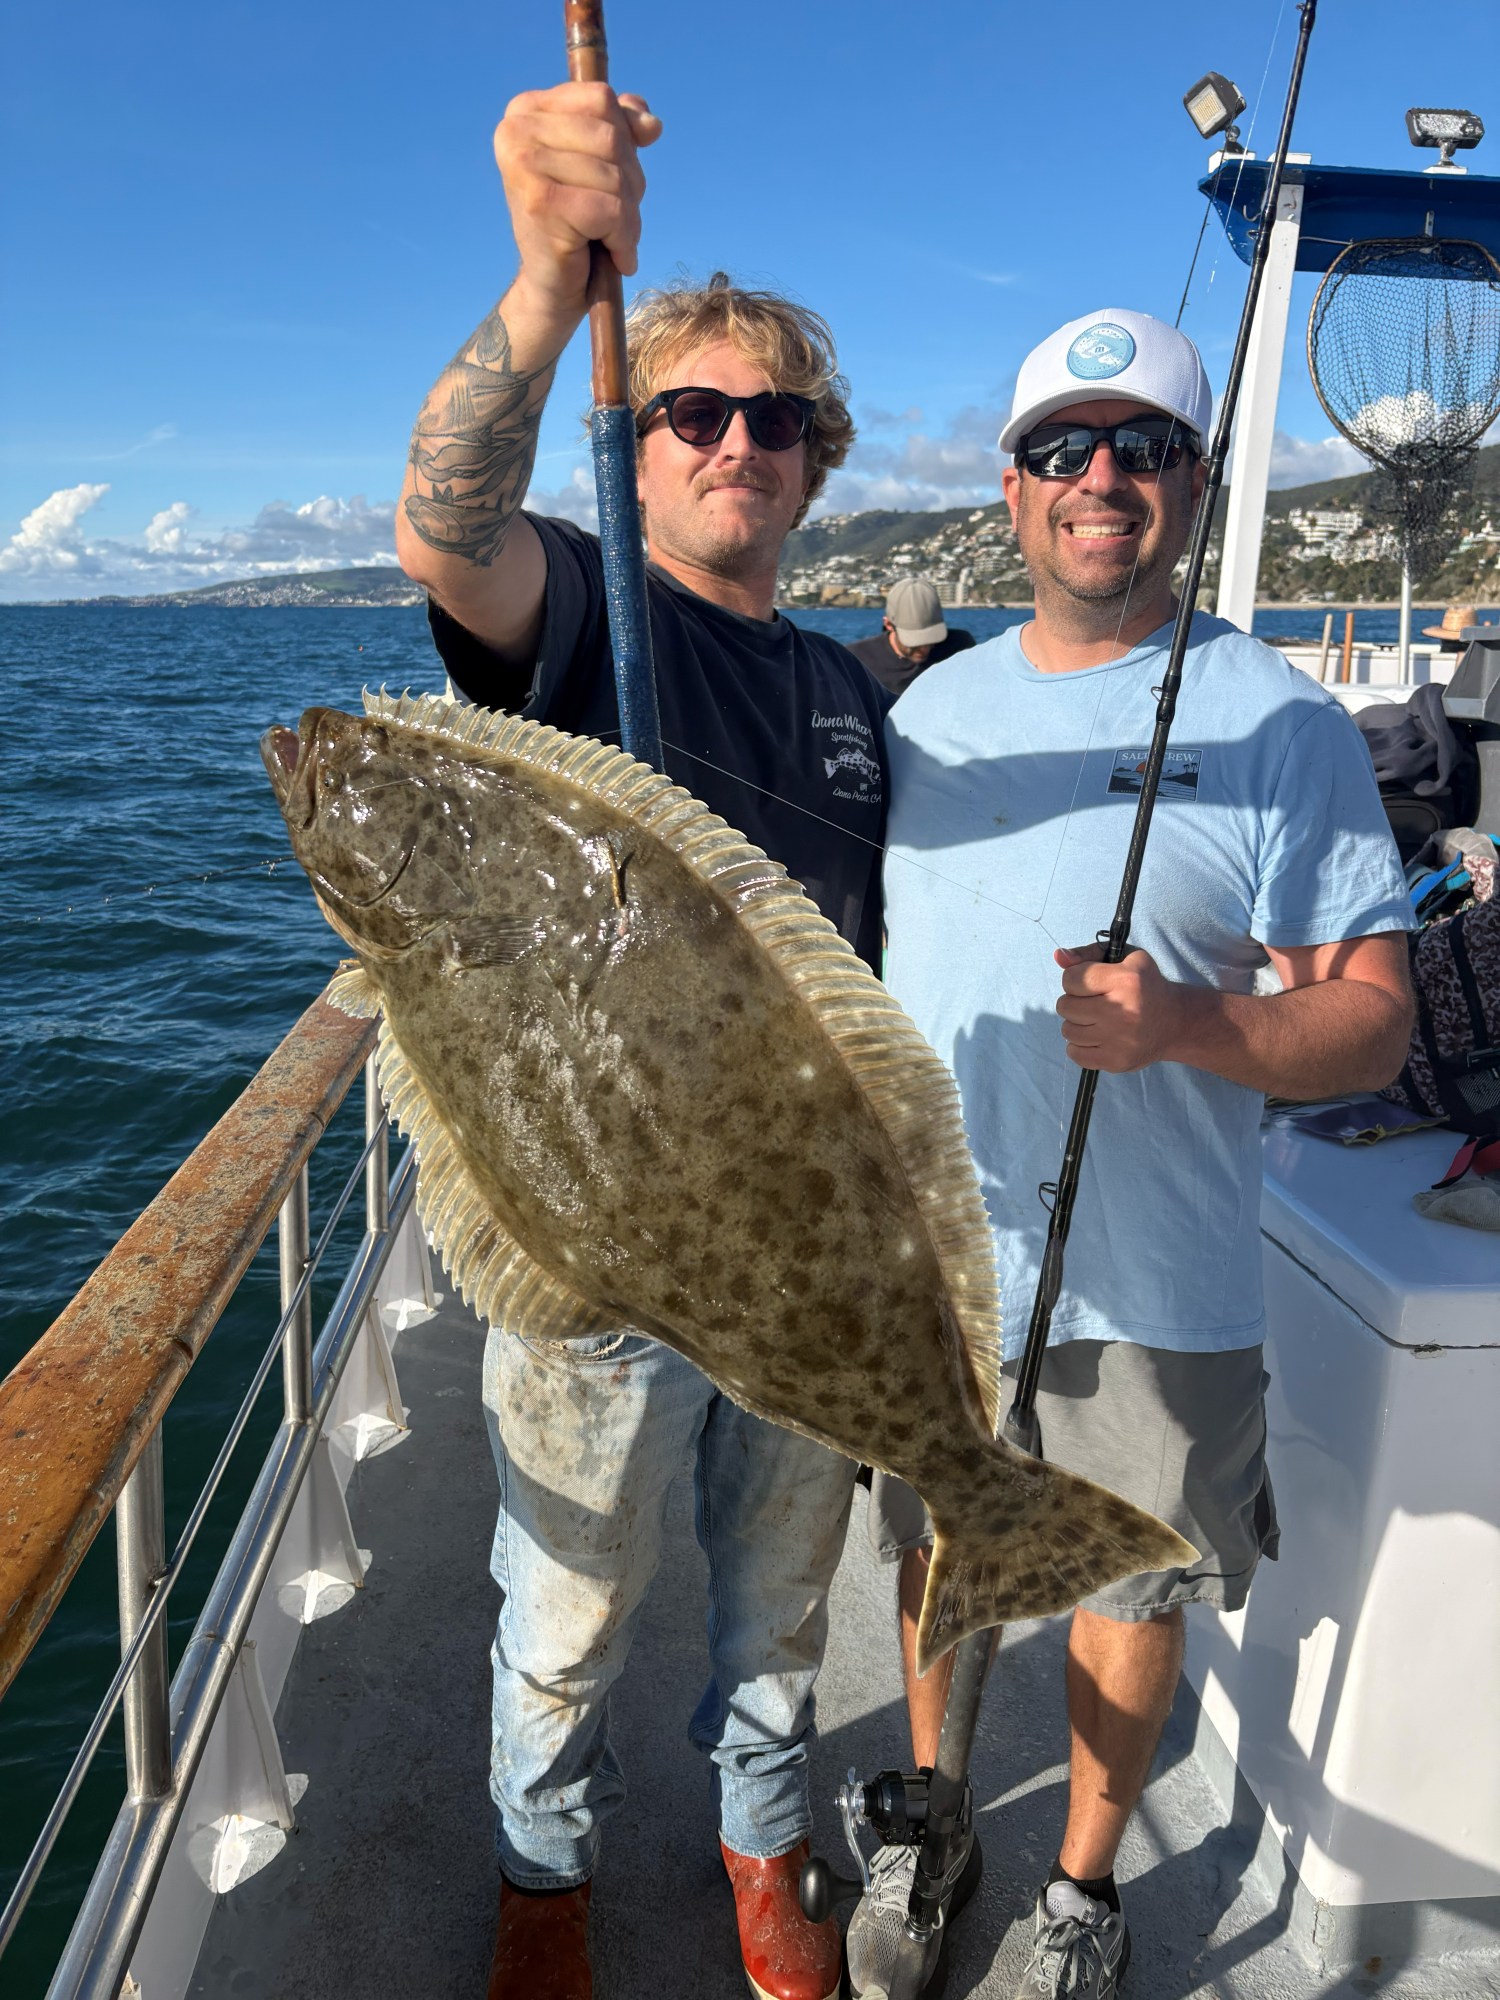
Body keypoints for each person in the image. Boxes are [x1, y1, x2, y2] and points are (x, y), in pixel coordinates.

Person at [852, 307, 1414, 1999]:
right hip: (937, 1259)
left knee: (1128, 1585)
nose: (1098, 480)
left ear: (1193, 482)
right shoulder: (924, 717)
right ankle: (928, 1820)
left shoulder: (1283, 724)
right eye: (1058, 452)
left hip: (1159, 1266)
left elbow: (1374, 1019)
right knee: (935, 1549)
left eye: (1141, 449)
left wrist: (1190, 1028)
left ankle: (1082, 1892)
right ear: (1012, 496)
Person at [394, 80, 888, 2000]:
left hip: (804, 1246)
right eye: (691, 409)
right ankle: (543, 1872)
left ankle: (762, 1845)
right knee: (570, 1605)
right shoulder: (585, 607)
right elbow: (448, 532)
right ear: (641, 444)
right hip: (600, 1245)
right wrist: (542, 288)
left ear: (819, 463)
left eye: (775, 419)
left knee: (778, 1600)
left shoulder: (849, 688)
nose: (734, 443)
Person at [847, 575, 976, 697]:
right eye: (915, 641)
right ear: (889, 625)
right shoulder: (857, 660)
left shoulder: (960, 646)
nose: (924, 648)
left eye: (931, 638)